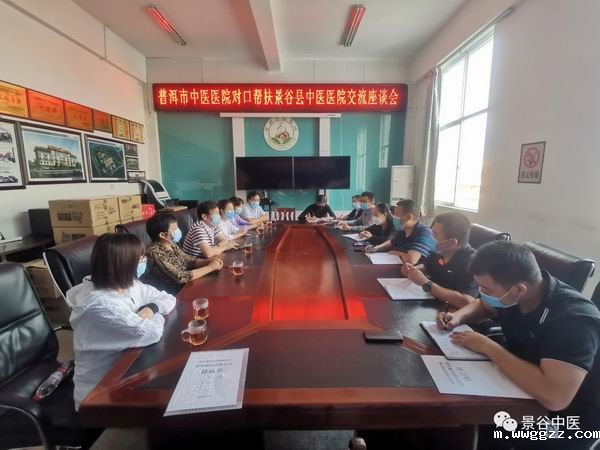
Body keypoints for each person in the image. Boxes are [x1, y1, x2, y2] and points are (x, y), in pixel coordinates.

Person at [438, 241, 600, 449]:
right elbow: (484, 305)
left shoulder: (574, 320)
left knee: (465, 424)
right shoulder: (517, 294)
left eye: (486, 289)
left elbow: (555, 398)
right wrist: (458, 317)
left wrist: (489, 348)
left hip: (565, 420)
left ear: (519, 289)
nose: (481, 293)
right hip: (519, 385)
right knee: (451, 417)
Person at [66, 233, 176, 410]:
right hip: (100, 396)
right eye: (140, 258)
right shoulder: (100, 306)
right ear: (124, 264)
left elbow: (168, 298)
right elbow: (151, 332)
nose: (145, 261)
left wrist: (150, 309)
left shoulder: (128, 284)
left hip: (132, 369)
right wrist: (156, 315)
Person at [401, 212, 478, 308]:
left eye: (435, 235)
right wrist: (413, 270)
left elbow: (467, 302)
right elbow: (427, 266)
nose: (430, 238)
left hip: (450, 311)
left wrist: (426, 283)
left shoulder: (472, 261)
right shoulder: (439, 251)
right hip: (431, 302)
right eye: (432, 232)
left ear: (452, 243)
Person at [143, 214, 224, 295]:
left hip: (187, 286)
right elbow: (180, 277)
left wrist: (209, 261)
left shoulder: (172, 245)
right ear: (162, 235)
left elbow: (189, 261)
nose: (178, 231)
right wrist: (210, 267)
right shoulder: (154, 253)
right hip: (173, 294)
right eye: (174, 229)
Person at [365, 199, 436, 265]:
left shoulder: (424, 232)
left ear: (409, 217)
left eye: (397, 215)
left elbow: (411, 260)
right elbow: (391, 243)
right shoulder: (402, 231)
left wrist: (397, 253)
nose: (394, 218)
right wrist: (376, 248)